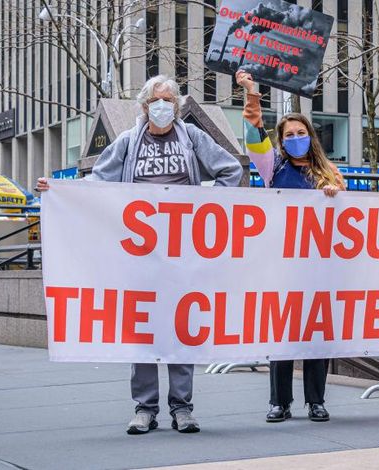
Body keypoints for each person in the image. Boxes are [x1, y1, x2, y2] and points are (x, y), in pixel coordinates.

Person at [36, 75, 243, 435]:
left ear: (177, 107)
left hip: (183, 255)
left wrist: (209, 210)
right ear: (144, 106)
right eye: (156, 101)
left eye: (169, 101)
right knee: (143, 331)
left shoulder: (192, 138)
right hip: (140, 258)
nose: (162, 107)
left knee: (182, 329)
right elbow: (98, 182)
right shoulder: (129, 142)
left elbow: (231, 170)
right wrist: (59, 189)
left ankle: (182, 408)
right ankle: (145, 408)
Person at [236, 70, 344, 423]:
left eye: (301, 133)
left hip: (319, 267)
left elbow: (349, 218)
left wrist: (335, 197)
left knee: (317, 335)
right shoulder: (272, 167)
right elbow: (254, 134)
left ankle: (316, 400)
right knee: (281, 334)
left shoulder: (331, 173)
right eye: (289, 135)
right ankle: (279, 402)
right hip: (281, 265)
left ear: (310, 137)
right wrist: (252, 93)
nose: (296, 138)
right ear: (281, 141)